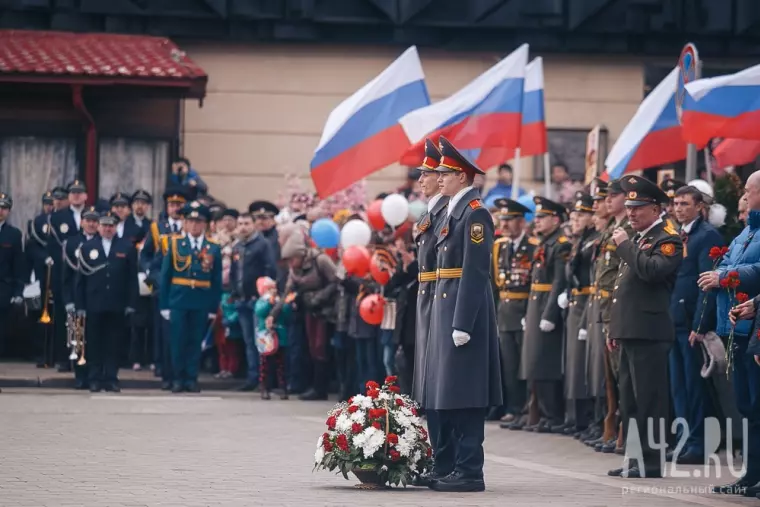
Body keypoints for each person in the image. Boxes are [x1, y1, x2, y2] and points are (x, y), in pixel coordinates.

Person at [425, 136, 502, 493]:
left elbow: (475, 271)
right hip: (447, 306)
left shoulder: (475, 213)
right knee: (450, 394)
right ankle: (453, 465)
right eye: (439, 172)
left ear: (463, 176)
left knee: (465, 393)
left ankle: (470, 470)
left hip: (463, 312)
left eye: (446, 172)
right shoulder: (453, 210)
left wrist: (462, 322)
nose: (439, 177)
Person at [607, 175, 683, 479]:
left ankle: (651, 463)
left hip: (650, 331)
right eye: (629, 207)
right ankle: (635, 460)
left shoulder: (668, 238)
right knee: (631, 400)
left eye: (638, 208)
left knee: (650, 400)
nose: (631, 213)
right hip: (630, 329)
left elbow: (651, 272)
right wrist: (616, 328)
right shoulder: (639, 238)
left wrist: (625, 246)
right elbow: (621, 288)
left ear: (655, 208)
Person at [701, 171, 760, 494]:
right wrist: (721, 273)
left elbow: (754, 271)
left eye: (750, 191)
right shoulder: (746, 232)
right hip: (736, 327)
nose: (746, 197)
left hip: (755, 329)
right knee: (747, 405)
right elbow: (727, 263)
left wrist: (726, 277)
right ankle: (751, 475)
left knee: (757, 404)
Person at [668, 185, 723, 464]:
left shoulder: (707, 235)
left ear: (699, 206)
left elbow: (707, 285)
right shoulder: (675, 235)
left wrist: (700, 324)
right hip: (673, 320)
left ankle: (700, 443)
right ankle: (683, 438)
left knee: (694, 386)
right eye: (676, 203)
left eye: (684, 204)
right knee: (678, 386)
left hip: (691, 322)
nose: (678, 208)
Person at [409, 139, 450, 484]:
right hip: (426, 297)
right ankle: (439, 458)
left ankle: (446, 460)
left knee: (437, 385)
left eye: (428, 173)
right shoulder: (431, 213)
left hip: (437, 297)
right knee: (427, 386)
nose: (421, 178)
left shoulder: (445, 214)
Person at [521, 196, 571, 432]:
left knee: (545, 363)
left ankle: (553, 414)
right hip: (535, 303)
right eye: (537, 217)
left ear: (556, 219)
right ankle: (541, 413)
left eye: (542, 217)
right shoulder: (545, 242)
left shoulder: (560, 244)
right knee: (533, 362)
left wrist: (550, 314)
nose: (537, 221)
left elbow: (559, 281)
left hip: (546, 305)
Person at [159, 202, 222, 393]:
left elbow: (216, 279)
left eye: (199, 222)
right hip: (178, 299)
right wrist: (164, 304)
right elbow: (165, 275)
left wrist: (213, 307)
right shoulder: (176, 243)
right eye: (191, 222)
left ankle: (191, 378)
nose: (195, 226)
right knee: (178, 341)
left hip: (201, 300)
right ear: (185, 224)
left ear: (205, 224)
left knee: (195, 341)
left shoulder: (213, 247)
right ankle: (177, 378)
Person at [75, 211, 139, 393]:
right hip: (93, 303)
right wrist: (80, 306)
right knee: (94, 343)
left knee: (114, 343)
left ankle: (111, 378)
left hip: (117, 304)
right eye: (104, 225)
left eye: (111, 225)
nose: (108, 228)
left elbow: (132, 279)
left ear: (116, 227)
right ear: (99, 227)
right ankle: (94, 378)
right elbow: (80, 280)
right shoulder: (87, 247)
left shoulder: (126, 247)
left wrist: (131, 303)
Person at [275, 231, 338, 401]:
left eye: (292, 259)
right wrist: (274, 314)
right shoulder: (294, 269)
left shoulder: (320, 260)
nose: (291, 263)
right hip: (309, 309)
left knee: (320, 347)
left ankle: (321, 388)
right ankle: (314, 386)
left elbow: (336, 281)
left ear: (301, 254)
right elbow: (287, 292)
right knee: (312, 347)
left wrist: (319, 297)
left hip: (325, 310)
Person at [554, 192, 597, 435]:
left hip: (587, 301)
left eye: (581, 214)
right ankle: (575, 418)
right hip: (576, 300)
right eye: (574, 214)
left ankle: (586, 419)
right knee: (572, 363)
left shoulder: (592, 241)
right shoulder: (580, 241)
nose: (575, 219)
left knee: (583, 365)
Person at [491, 198, 537, 429]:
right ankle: (514, 408)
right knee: (509, 364)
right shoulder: (499, 246)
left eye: (509, 220)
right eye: (502, 219)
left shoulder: (533, 245)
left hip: (525, 309)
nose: (505, 224)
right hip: (505, 311)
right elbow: (493, 282)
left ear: (521, 222)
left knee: (525, 363)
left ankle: (530, 408)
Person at [140, 187, 187, 389]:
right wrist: (153, 282)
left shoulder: (189, 227)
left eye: (178, 205)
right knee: (161, 330)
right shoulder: (156, 228)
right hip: (161, 287)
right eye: (172, 205)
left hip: (183, 287)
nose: (175, 208)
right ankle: (161, 365)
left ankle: (180, 370)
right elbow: (145, 257)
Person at [229, 212, 277, 392]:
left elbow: (270, 269)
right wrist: (234, 290)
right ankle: (252, 377)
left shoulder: (262, 245)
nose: (243, 227)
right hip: (241, 299)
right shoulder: (237, 246)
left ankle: (265, 379)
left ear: (253, 225)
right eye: (240, 223)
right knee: (248, 341)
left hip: (257, 301)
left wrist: (264, 294)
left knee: (261, 340)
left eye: (247, 223)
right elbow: (234, 272)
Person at [47, 180, 88, 372]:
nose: (77, 195)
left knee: (85, 318)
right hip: (65, 274)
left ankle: (84, 356)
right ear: (69, 196)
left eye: (80, 192)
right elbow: (53, 248)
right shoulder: (58, 218)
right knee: (66, 317)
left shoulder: (92, 215)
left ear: (86, 196)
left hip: (88, 275)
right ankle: (64, 358)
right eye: (73, 192)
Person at [581, 179, 611, 442]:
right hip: (597, 305)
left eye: (600, 201)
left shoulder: (614, 233)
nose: (598, 207)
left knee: (608, 374)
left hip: (609, 307)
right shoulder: (601, 236)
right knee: (596, 369)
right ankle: (600, 421)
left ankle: (608, 424)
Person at [61, 205, 100, 389]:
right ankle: (80, 375)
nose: (91, 224)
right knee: (77, 339)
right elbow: (66, 277)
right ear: (82, 222)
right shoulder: (71, 243)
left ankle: (93, 375)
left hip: (96, 298)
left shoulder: (103, 242)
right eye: (88, 220)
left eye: (94, 221)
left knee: (94, 339)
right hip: (77, 299)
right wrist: (68, 300)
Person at [255, 276, 292, 400]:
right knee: (265, 364)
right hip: (266, 338)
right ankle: (264, 387)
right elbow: (259, 312)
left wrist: (283, 305)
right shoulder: (262, 301)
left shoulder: (280, 300)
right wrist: (268, 303)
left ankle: (283, 388)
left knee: (281, 364)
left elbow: (287, 313)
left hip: (280, 336)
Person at [0, 192, 24, 363]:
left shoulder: (14, 234)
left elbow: (18, 265)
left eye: (4, 208)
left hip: (4, 286)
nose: (0, 211)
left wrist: (18, 291)